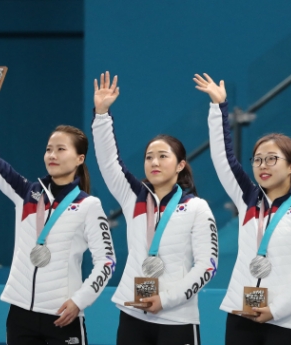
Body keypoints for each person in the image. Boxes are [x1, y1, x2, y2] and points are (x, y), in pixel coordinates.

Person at [0, 82, 116, 345]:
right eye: (49, 149)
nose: (52, 155)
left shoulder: (88, 205)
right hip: (20, 313)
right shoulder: (26, 193)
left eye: (61, 149)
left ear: (80, 158)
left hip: (63, 315)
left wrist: (79, 301)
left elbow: (106, 262)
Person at [194, 73, 291, 345]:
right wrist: (218, 108)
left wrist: (276, 309)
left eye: (271, 159)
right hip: (240, 316)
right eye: (257, 160)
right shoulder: (247, 199)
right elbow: (223, 158)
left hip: (286, 321)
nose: (262, 165)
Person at [92, 72, 218, 345]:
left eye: (163, 156)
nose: (154, 162)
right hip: (132, 313)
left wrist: (166, 300)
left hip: (177, 318)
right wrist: (102, 115)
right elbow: (108, 162)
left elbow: (207, 265)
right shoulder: (133, 197)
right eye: (149, 157)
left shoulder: (196, 208)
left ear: (181, 165)